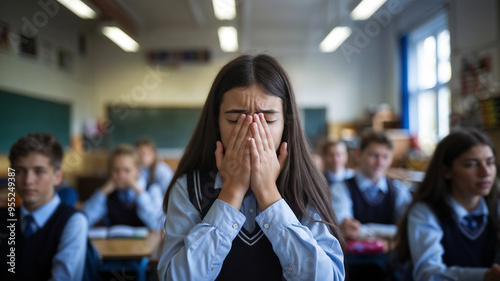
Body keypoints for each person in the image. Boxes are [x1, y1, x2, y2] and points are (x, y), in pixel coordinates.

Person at [157, 54, 345, 281]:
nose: (252, 133)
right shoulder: (189, 188)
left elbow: (329, 278)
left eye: (268, 120)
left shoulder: (305, 186)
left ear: (286, 124)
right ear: (216, 123)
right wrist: (231, 193)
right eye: (236, 120)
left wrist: (268, 193)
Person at [395, 128, 500, 281]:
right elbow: (427, 274)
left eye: (490, 163)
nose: (486, 172)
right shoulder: (425, 212)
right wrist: (484, 276)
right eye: (471, 164)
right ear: (446, 171)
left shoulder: (496, 207)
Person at [0, 133, 88, 281]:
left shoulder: (72, 222)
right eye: (20, 171)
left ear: (58, 177)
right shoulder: (4, 218)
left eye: (39, 171)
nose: (28, 180)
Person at [331, 130, 412, 240]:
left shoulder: (399, 189)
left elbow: (408, 228)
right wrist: (392, 231)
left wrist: (365, 230)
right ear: (358, 154)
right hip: (353, 256)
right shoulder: (340, 189)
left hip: (391, 256)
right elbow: (347, 229)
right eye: (374, 155)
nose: (380, 162)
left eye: (385, 157)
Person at [82, 144, 163, 231]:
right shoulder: (108, 192)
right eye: (116, 170)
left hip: (147, 244)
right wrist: (103, 192)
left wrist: (139, 192)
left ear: (138, 170)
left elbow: (157, 225)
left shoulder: (153, 189)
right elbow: (85, 220)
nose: (121, 176)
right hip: (113, 243)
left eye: (127, 170)